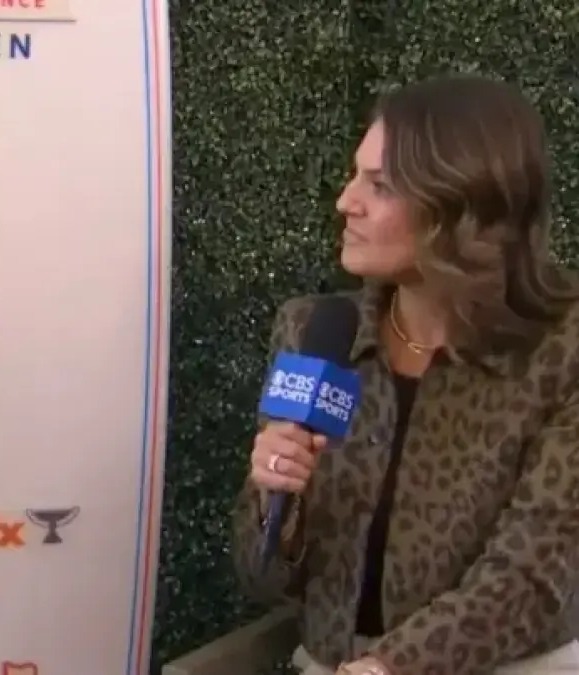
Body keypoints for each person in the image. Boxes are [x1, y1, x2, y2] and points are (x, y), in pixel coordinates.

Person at [232, 74, 579, 675]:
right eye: (354, 176)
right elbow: (259, 578)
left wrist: (392, 666)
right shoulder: (318, 333)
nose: (346, 202)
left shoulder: (562, 347)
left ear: (464, 206)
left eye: (380, 185)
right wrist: (277, 506)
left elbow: (533, 572)